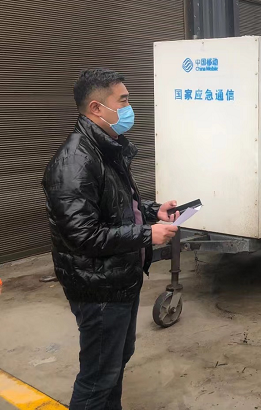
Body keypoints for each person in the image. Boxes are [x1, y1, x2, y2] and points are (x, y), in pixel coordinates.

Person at [42, 69, 179, 410]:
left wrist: (154, 211)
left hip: (119, 280)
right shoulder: (74, 162)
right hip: (98, 288)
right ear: (96, 108)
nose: (130, 108)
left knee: (115, 363)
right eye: (123, 101)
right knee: (98, 377)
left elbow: (118, 205)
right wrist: (147, 234)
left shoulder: (105, 149)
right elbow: (83, 235)